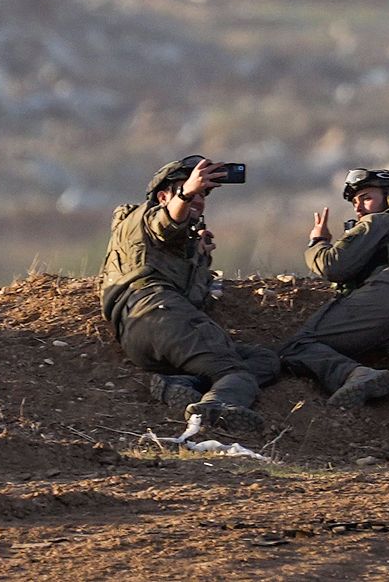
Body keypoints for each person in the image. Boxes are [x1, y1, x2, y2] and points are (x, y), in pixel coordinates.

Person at [277, 168, 389, 439]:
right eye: (355, 202)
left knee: (298, 346)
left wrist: (318, 241)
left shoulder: (382, 219)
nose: (359, 208)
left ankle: (355, 374)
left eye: (366, 198)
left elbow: (333, 266)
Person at [100, 155, 280, 431]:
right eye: (192, 192)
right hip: (158, 311)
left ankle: (181, 384)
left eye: (202, 195)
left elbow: (195, 301)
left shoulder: (176, 249)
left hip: (150, 333)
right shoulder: (144, 218)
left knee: (265, 361)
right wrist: (185, 193)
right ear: (163, 196)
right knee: (235, 373)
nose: (199, 199)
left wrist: (198, 260)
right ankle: (214, 410)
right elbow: (165, 223)